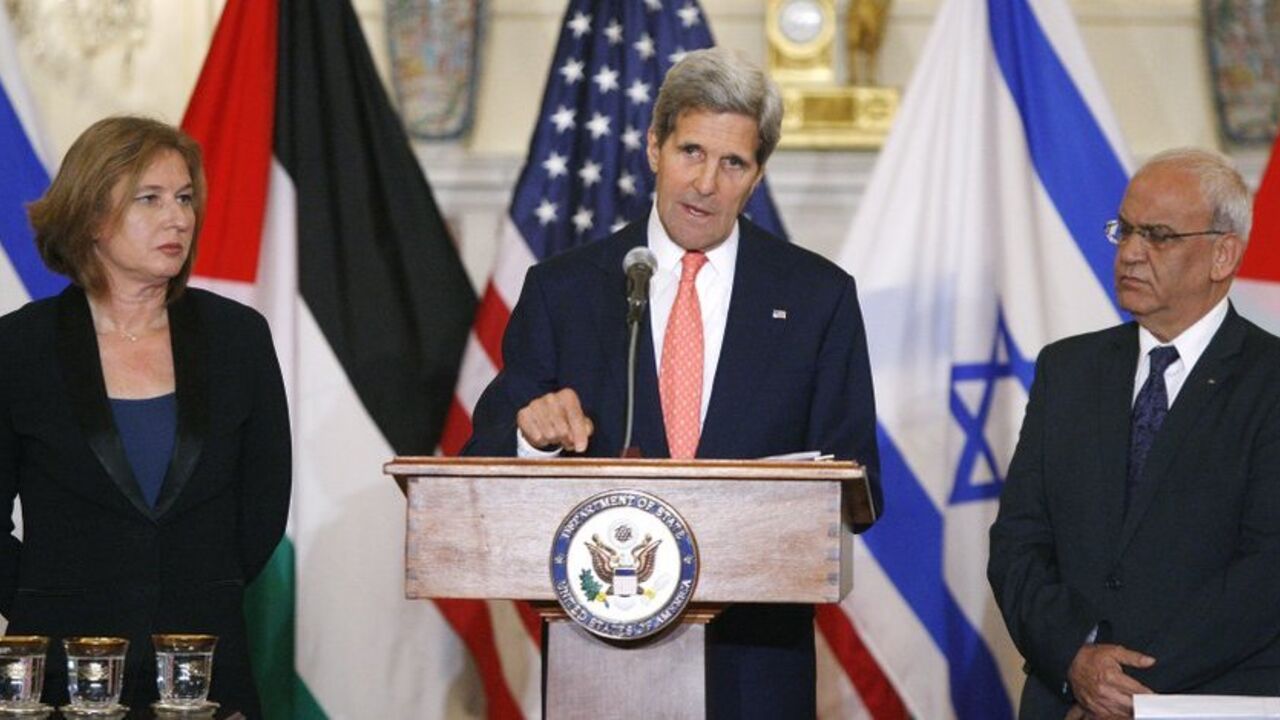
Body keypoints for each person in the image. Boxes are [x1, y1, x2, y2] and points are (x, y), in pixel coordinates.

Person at [465, 48, 881, 718]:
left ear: (757, 176)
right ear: (654, 147)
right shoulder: (564, 291)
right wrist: (531, 436)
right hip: (600, 663)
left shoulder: (817, 298)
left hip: (757, 671)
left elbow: (863, 483)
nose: (706, 183)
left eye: (733, 163)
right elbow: (479, 457)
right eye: (691, 151)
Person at [0, 116, 291, 717]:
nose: (178, 217)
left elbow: (262, 507)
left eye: (185, 198)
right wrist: (46, 600)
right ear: (92, 217)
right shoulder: (19, 348)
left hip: (204, 665)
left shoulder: (238, 338)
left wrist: (196, 590)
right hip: (60, 669)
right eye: (150, 198)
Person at [988, 149, 1280, 719]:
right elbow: (1019, 544)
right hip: (1065, 698)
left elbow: (1267, 572)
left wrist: (1129, 691)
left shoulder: (1270, 383)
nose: (1130, 253)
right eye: (1124, 230)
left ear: (1223, 254)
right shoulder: (1066, 370)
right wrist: (1076, 663)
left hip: (1213, 699)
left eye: (1159, 236)